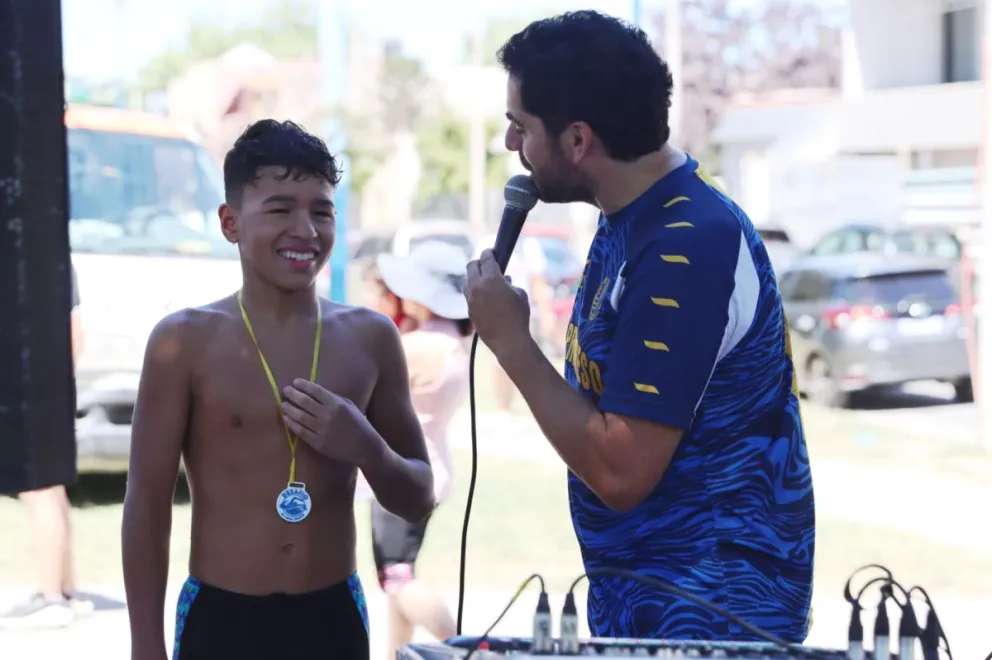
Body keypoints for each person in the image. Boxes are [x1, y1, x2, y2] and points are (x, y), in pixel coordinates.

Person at [463, 11, 815, 643]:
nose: (513, 145)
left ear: (577, 141)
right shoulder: (632, 219)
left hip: (712, 607)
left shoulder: (687, 244)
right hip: (651, 590)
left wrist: (511, 342)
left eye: (520, 126)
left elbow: (622, 472)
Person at [121, 119, 436, 660]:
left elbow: (417, 497)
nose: (306, 231)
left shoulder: (370, 338)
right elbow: (147, 506)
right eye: (279, 209)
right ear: (230, 223)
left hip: (331, 613)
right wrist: (145, 645)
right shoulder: (184, 342)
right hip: (222, 616)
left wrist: (365, 447)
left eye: (321, 210)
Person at [363, 240, 472, 660]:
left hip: (400, 473)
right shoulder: (448, 343)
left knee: (397, 579)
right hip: (430, 467)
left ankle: (466, 648)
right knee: (400, 577)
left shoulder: (418, 347)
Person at [1, 265, 94, 630]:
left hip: (36, 389)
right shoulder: (52, 257)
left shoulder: (31, 256)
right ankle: (66, 589)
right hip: (49, 388)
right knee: (50, 489)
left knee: (37, 490)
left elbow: (72, 329)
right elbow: (74, 328)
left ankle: (51, 598)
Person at [473, 232, 553, 414]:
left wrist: (546, 313)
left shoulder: (530, 245)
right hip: (497, 311)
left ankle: (519, 406)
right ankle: (503, 407)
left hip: (525, 314)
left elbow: (538, 282)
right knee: (500, 361)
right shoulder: (487, 242)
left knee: (524, 362)